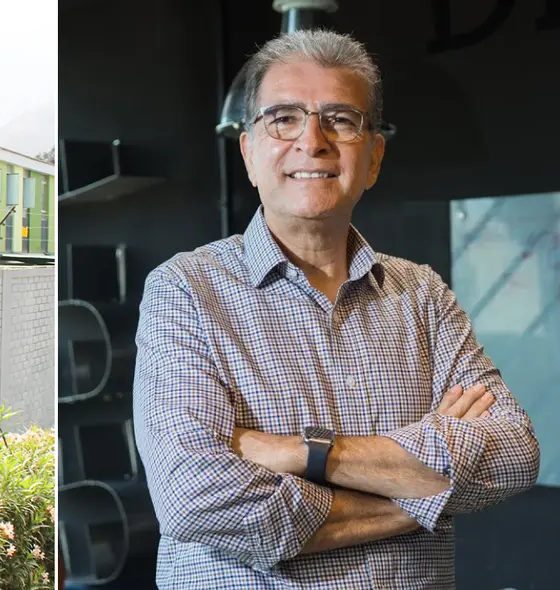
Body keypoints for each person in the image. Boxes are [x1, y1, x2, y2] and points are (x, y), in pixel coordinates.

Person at [132, 28, 540, 589]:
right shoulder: (185, 290)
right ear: (249, 153)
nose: (312, 141)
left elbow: (514, 453)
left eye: (341, 120)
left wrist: (305, 454)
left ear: (373, 158)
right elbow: (194, 497)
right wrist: (419, 500)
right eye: (283, 118)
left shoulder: (422, 294)